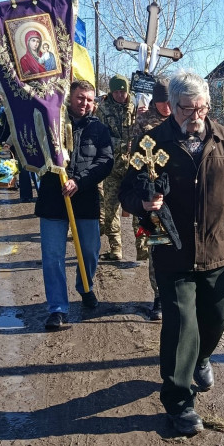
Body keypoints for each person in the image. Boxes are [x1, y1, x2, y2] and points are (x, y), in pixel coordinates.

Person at [120, 70, 224, 435]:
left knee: (218, 316)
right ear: (172, 107)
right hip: (171, 248)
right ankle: (179, 402)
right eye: (188, 108)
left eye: (202, 107)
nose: (196, 115)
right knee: (181, 324)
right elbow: (127, 191)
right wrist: (143, 201)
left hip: (217, 248)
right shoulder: (151, 143)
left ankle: (201, 357)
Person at [35, 80, 113, 330]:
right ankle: (57, 308)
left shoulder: (99, 129)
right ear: (70, 97)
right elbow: (33, 150)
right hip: (53, 199)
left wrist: (79, 181)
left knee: (90, 250)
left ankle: (85, 286)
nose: (85, 104)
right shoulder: (51, 123)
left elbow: (105, 160)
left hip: (85, 198)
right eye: (81, 98)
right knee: (53, 256)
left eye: (90, 99)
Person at [131, 75, 171, 320]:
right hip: (153, 193)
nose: (167, 107)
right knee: (156, 247)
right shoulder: (143, 122)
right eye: (162, 102)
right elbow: (135, 160)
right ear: (155, 101)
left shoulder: (182, 118)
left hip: (177, 193)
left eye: (170, 101)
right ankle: (159, 296)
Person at [96, 74, 136, 262]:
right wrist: (122, 144)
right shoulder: (103, 109)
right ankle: (116, 249)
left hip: (134, 167)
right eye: (116, 91)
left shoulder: (136, 107)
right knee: (111, 209)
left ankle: (143, 250)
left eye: (123, 91)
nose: (120, 95)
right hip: (112, 167)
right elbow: (101, 137)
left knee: (139, 209)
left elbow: (143, 132)